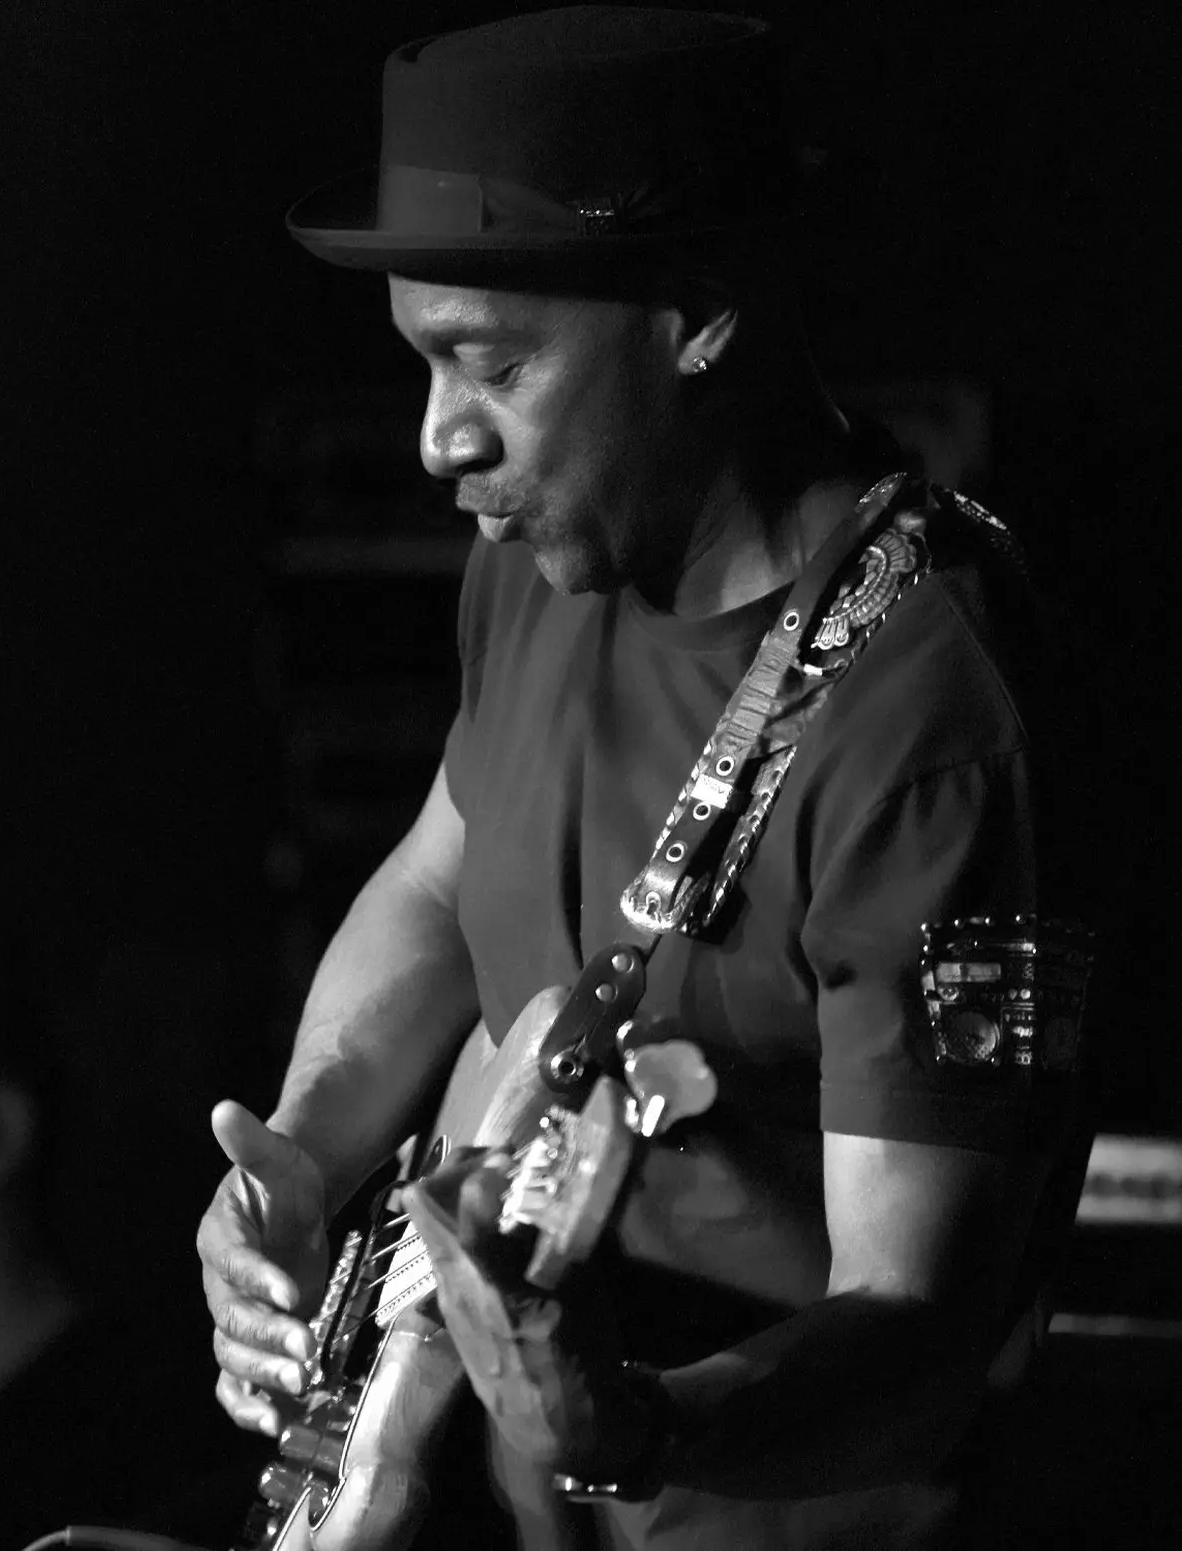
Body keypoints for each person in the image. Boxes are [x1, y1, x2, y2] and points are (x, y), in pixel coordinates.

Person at [197, 10, 1093, 1548]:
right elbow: (440, 877)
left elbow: (922, 1326)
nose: (438, 440)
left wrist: (640, 1426)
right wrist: (305, 1145)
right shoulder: (542, 555)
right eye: (422, 361)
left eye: (491, 364)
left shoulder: (934, 716)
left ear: (697, 314)